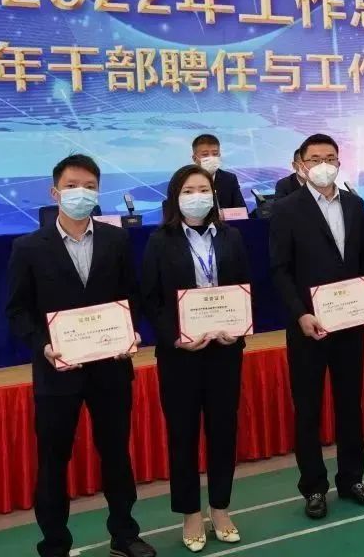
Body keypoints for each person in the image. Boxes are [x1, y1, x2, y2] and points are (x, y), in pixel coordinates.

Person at [6, 155, 155, 557]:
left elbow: (131, 295)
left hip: (111, 367)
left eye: (89, 186)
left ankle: (124, 534)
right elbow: (17, 311)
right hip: (57, 372)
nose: (81, 193)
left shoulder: (116, 240)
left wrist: (130, 329)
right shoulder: (28, 247)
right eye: (72, 186)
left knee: (116, 455)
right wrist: (43, 345)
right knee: (53, 462)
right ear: (55, 192)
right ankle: (54, 544)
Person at [268, 134, 364, 519]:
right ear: (300, 165)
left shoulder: (355, 204)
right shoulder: (286, 209)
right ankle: (313, 487)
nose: (323, 165)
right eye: (315, 158)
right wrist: (300, 313)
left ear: (339, 162)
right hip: (308, 327)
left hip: (350, 324)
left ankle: (352, 479)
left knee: (350, 404)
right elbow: (280, 269)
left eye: (330, 157)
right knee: (309, 409)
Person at [142, 165, 251, 551]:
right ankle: (190, 513)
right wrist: (175, 337)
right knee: (183, 434)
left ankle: (220, 507)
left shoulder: (232, 237)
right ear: (175, 197)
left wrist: (238, 327)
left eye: (203, 189)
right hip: (180, 357)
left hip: (225, 351)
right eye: (188, 190)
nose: (197, 196)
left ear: (214, 195)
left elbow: (244, 288)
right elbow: (150, 299)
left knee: (223, 431)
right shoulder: (159, 241)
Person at [191, 134, 246, 210]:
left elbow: (242, 210)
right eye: (205, 155)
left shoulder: (229, 179)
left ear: (219, 155)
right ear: (194, 158)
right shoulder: (185, 180)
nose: (211, 158)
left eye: (215, 154)